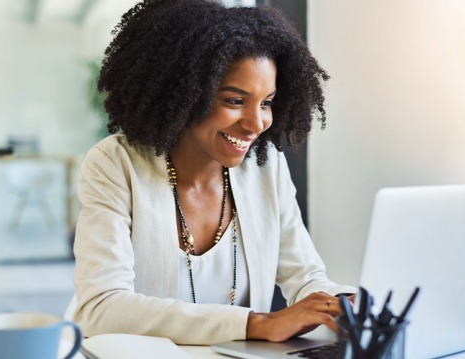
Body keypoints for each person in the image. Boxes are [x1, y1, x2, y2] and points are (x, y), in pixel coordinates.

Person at [72, 0, 356, 345]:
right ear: (183, 95)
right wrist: (258, 323)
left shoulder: (265, 169)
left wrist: (345, 303)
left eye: (266, 102)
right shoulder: (116, 164)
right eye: (234, 101)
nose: (256, 123)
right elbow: (102, 308)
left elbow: (306, 277)